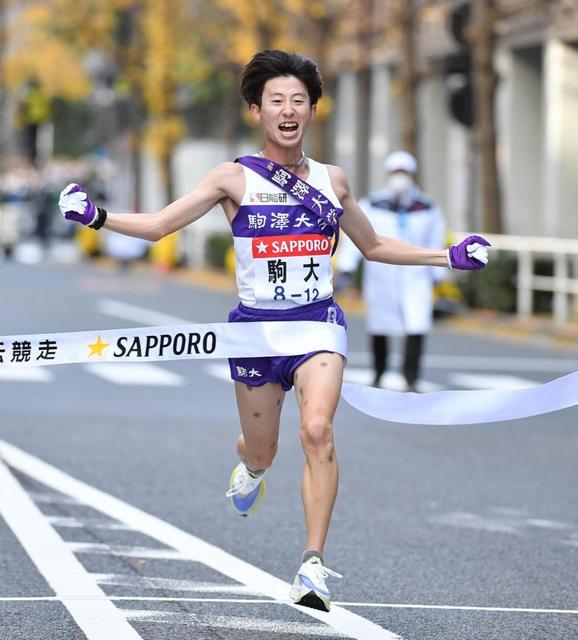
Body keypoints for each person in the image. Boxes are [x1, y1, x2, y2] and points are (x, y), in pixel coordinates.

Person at [58, 49, 489, 612]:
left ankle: (312, 566)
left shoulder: (333, 181)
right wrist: (98, 217)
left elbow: (376, 246)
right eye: (276, 102)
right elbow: (162, 225)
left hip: (316, 326)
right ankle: (253, 466)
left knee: (317, 431)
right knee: (264, 449)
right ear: (257, 112)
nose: (288, 111)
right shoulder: (232, 178)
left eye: (299, 102)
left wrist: (447, 257)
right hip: (255, 333)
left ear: (312, 111)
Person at [337, 150, 447, 391]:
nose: (400, 177)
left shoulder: (427, 207)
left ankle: (411, 377)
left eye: (404, 172)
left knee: (417, 324)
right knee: (379, 323)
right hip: (381, 274)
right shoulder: (371, 204)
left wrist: (440, 277)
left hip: (416, 275)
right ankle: (379, 373)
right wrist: (346, 268)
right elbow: (357, 238)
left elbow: (435, 242)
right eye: (396, 172)